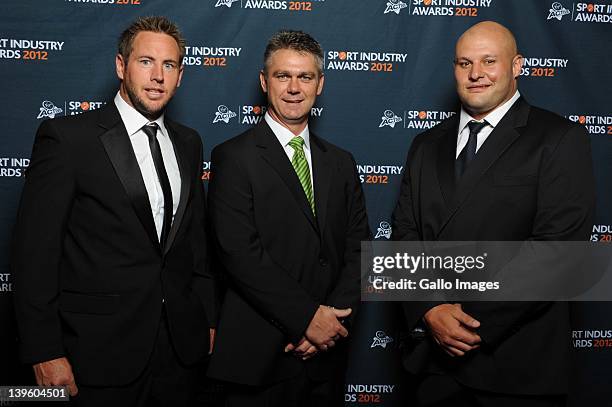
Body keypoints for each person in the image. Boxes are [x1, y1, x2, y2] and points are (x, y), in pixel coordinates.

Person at [11, 16, 218, 407]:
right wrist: (43, 351)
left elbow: (196, 243)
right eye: (145, 62)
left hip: (179, 352)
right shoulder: (68, 139)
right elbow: (34, 255)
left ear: (180, 75)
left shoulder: (189, 143)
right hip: (97, 353)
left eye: (169, 65)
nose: (157, 75)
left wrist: (206, 318)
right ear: (120, 66)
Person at [392, 21, 595, 406]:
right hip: (432, 368)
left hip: (515, 366)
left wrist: (467, 323)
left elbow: (557, 252)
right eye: (464, 63)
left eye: (489, 61)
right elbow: (404, 234)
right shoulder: (425, 143)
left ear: (517, 65)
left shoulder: (558, 138)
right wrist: (430, 309)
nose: (475, 74)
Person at [206, 30, 370, 406]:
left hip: (326, 358)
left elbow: (359, 250)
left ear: (320, 84)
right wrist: (308, 319)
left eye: (305, 77)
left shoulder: (341, 162)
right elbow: (240, 255)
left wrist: (331, 326)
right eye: (283, 76)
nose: (294, 88)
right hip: (260, 358)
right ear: (264, 82)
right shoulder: (233, 157)